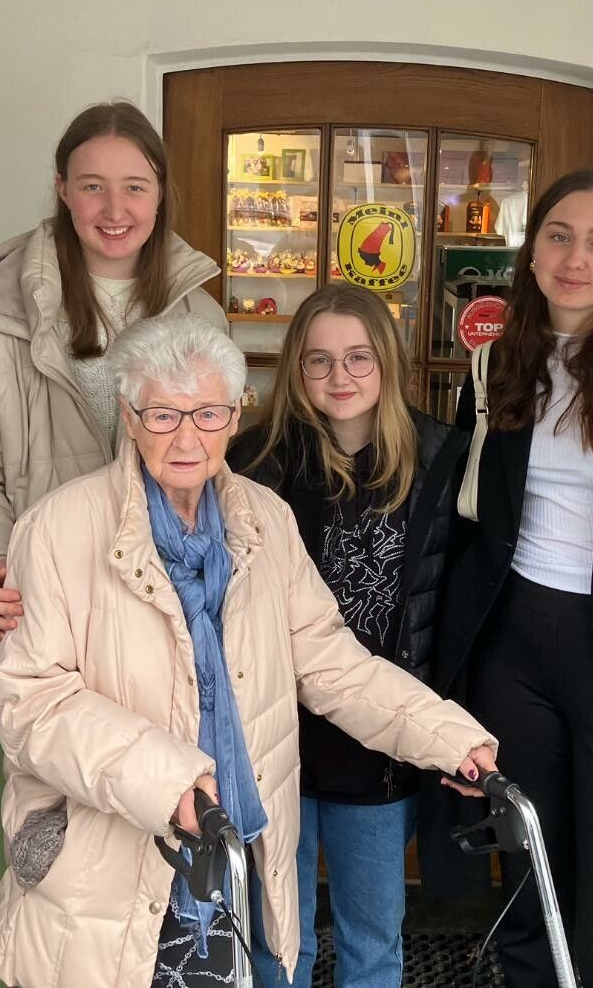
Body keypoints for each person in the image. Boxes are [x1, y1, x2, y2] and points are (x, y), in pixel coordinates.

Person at [0, 313, 497, 988]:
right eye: (164, 414)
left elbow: (329, 661)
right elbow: (32, 705)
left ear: (234, 416)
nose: (188, 436)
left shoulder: (263, 519)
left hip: (233, 847)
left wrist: (447, 736)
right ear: (130, 418)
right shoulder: (57, 529)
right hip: (109, 860)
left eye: (207, 413)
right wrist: (167, 781)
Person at [0, 101, 225, 988]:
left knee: (142, 850)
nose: (114, 206)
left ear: (160, 195)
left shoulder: (194, 308)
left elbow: (216, 466)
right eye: (92, 185)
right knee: (31, 847)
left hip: (156, 625)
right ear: (61, 189)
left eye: (134, 185)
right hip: (30, 622)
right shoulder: (0, 322)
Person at [434, 166, 593, 988]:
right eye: (559, 236)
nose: (575, 258)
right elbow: (471, 509)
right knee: (528, 857)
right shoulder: (498, 364)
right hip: (514, 642)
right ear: (532, 254)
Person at [227, 283, 471, 988]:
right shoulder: (254, 461)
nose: (340, 377)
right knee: (279, 941)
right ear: (295, 370)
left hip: (382, 749)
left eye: (359, 357)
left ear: (390, 363)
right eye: (319, 360)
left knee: (373, 937)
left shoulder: (442, 459)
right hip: (277, 741)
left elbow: (451, 603)